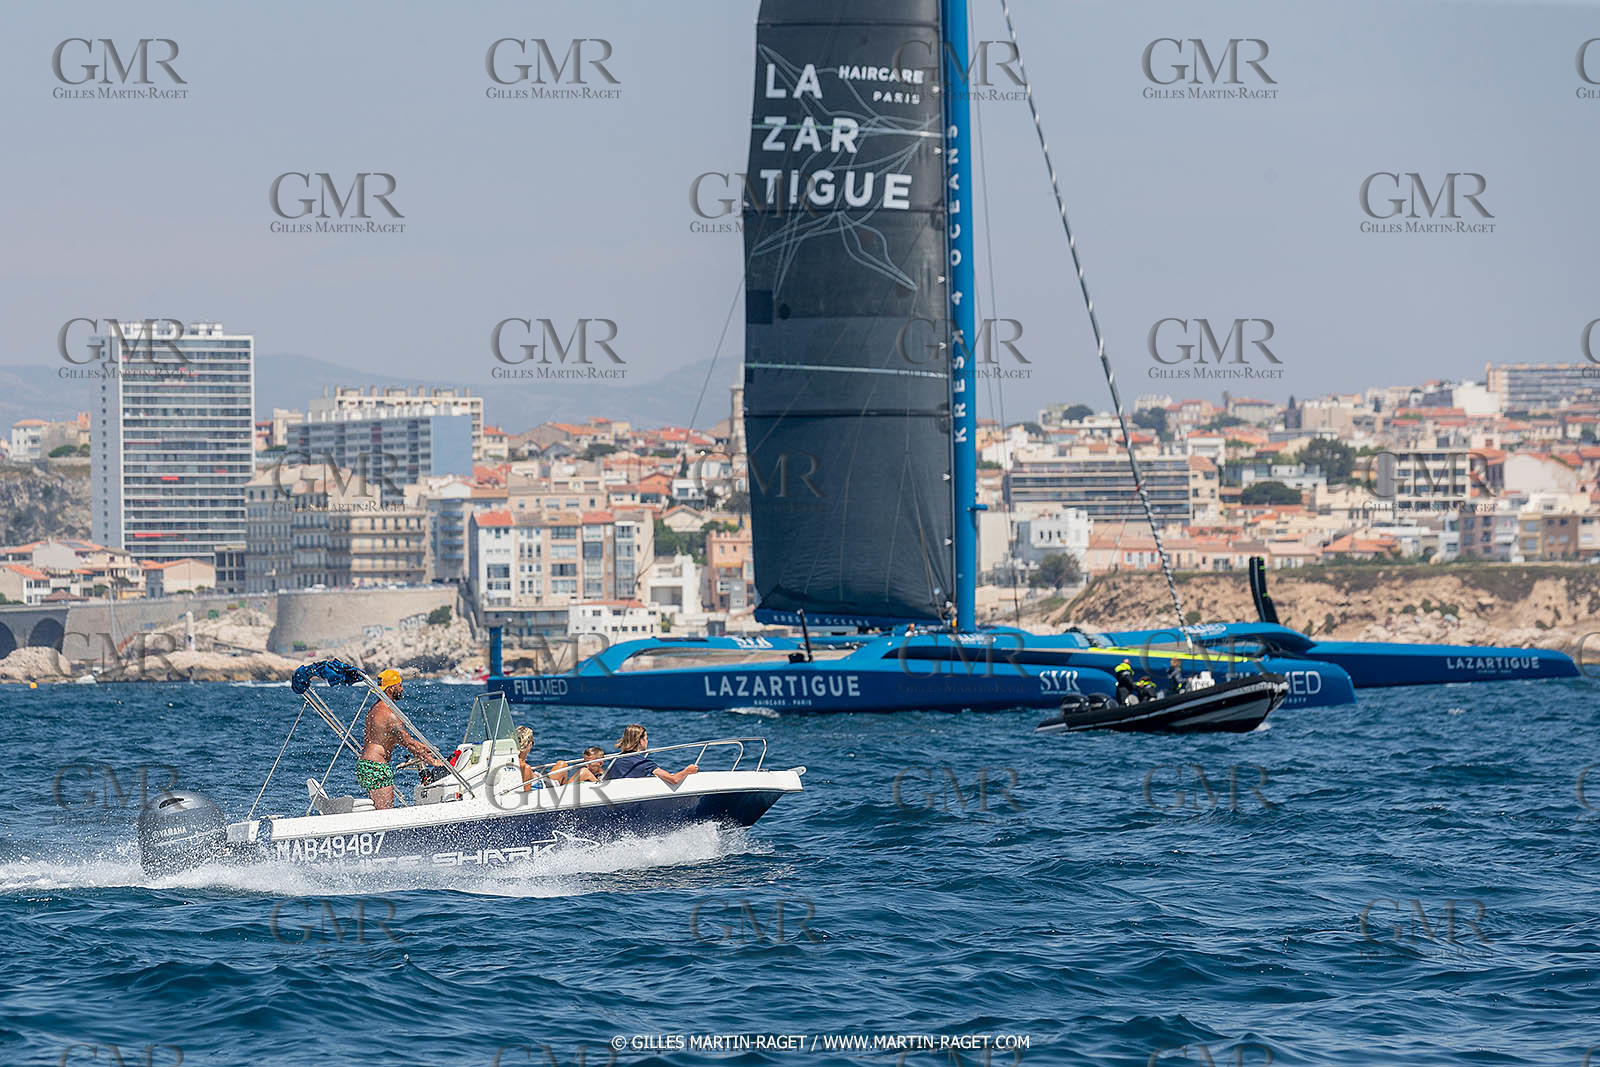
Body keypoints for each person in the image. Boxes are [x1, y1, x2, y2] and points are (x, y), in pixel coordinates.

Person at [357, 668, 444, 809]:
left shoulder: (375, 709)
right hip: (376, 766)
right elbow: (408, 743)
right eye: (400, 685)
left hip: (368, 764)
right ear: (391, 689)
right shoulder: (390, 715)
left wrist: (426, 748)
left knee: (380, 808)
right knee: (385, 811)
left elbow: (397, 739)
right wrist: (434, 762)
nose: (402, 689)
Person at [603, 724, 697, 785]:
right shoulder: (643, 763)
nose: (647, 741)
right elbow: (674, 780)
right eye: (646, 738)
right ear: (640, 740)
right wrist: (687, 771)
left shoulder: (616, 760)